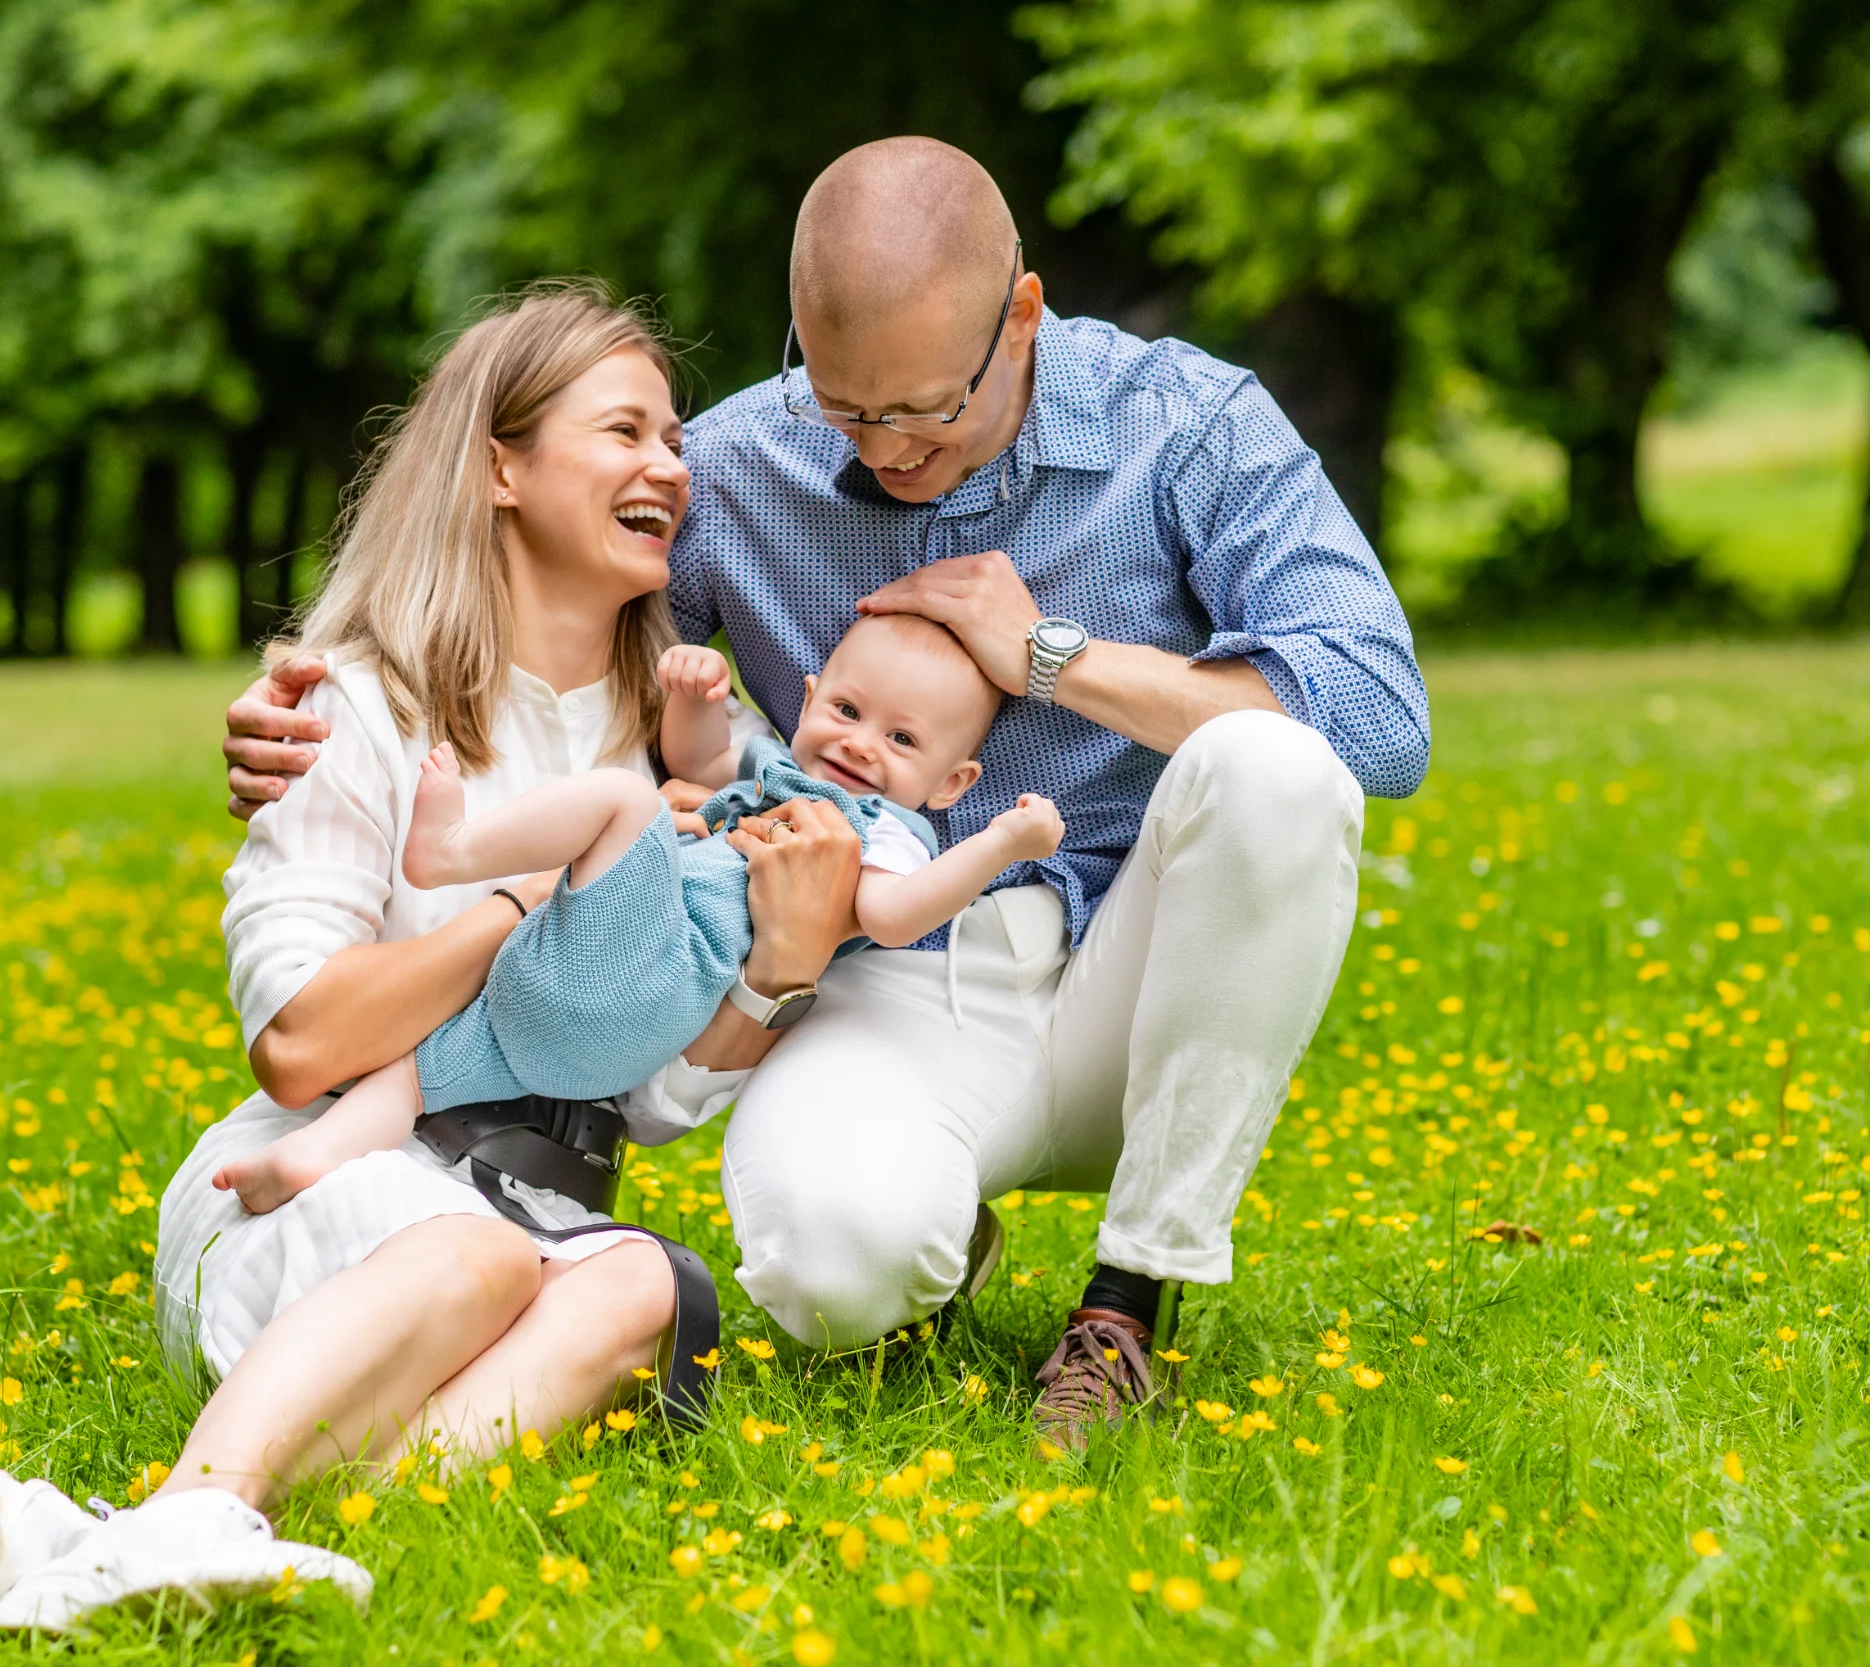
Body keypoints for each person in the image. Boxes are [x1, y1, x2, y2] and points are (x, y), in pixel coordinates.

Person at [225, 138, 1430, 1451]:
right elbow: (553, 646)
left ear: (1019, 316)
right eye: (844, 403)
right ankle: (930, 1235)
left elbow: (1377, 715)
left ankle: (1131, 1300)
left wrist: (1054, 658)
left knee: (1274, 762)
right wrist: (337, 696)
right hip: (885, 981)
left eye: (922, 410)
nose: (884, 448)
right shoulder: (743, 466)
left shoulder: (1185, 423)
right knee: (826, 1261)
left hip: (1144, 983)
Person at [0, 283, 867, 1631]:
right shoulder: (357, 702)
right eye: (623, 429)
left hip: (533, 1209)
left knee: (643, 1282)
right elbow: (306, 1038)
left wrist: (772, 977)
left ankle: (164, 1540)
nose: (668, 465)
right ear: (500, 464)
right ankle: (204, 1494)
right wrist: (517, 897)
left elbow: (647, 1099)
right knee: (478, 1252)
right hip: (315, 1191)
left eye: (675, 439)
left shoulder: (685, 736)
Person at [211, 614, 1064, 1216]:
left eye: (904, 741)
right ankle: (304, 1159)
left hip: (659, 973)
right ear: (808, 701)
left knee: (627, 799)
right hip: (571, 1026)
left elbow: (888, 916)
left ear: (954, 784)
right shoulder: (771, 766)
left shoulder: (885, 832)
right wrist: (695, 693)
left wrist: (999, 843)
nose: (860, 743)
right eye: (845, 710)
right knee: (413, 1072)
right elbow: (697, 753)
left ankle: (455, 850)